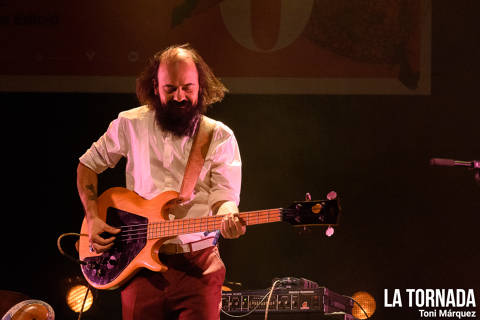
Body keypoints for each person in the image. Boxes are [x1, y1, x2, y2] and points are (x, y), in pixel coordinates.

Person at [76, 43, 245, 320]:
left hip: (198, 266)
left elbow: (225, 195)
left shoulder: (219, 135)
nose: (180, 96)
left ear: (200, 85)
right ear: (155, 87)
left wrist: (228, 214)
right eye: (171, 89)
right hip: (139, 266)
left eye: (188, 88)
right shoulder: (130, 124)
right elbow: (87, 165)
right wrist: (93, 217)